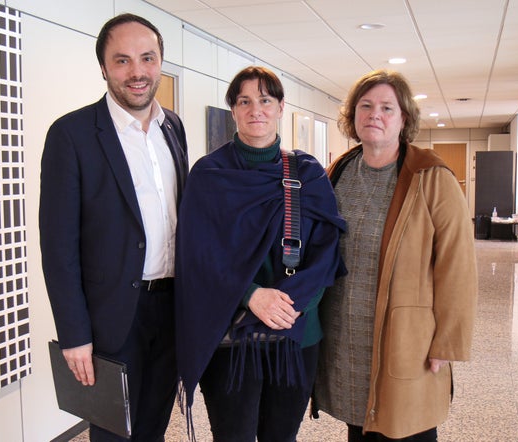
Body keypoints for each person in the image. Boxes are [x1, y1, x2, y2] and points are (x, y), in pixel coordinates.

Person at [175, 66, 346, 442]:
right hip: (230, 332)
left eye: (265, 100)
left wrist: (290, 304)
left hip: (294, 331)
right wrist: (251, 294)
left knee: (281, 436)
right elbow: (198, 255)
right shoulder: (209, 174)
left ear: (281, 107)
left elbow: (327, 253)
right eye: (245, 101)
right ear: (233, 110)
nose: (256, 110)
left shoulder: (308, 173)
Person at [39, 13, 188, 441]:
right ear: (103, 68)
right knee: (112, 434)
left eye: (147, 58)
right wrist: (74, 334)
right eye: (122, 60)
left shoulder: (172, 127)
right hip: (112, 318)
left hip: (171, 308)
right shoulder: (72, 134)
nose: (137, 72)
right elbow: (58, 247)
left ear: (160, 62)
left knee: (153, 428)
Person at [312, 69, 478, 441]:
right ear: (353, 115)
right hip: (346, 335)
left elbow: (458, 267)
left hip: (406, 337)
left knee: (407, 426)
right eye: (366, 106)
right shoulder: (339, 171)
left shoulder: (431, 177)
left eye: (387, 107)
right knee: (359, 425)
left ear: (404, 119)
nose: (375, 114)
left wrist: (447, 342)